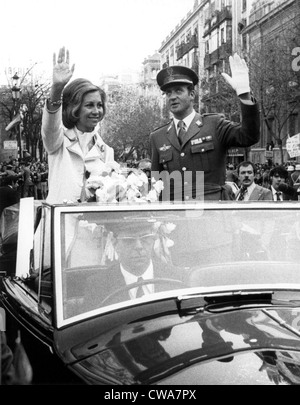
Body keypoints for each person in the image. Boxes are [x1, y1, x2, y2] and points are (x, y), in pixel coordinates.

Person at [150, 53, 260, 201]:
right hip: (175, 217)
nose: (172, 97)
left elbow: (249, 136)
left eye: (178, 91)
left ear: (192, 94)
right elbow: (157, 185)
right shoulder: (158, 137)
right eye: (168, 93)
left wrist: (245, 95)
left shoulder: (214, 124)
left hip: (211, 214)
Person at [41, 47, 115, 204]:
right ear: (75, 108)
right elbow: (50, 127)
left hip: (91, 226)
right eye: (89, 105)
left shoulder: (106, 151)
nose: (96, 111)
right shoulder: (58, 142)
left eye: (99, 105)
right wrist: (57, 89)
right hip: (60, 224)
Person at [83, 217, 183, 311]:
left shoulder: (176, 278)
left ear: (153, 240)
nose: (138, 246)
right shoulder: (98, 286)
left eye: (145, 239)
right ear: (115, 244)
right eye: (129, 240)